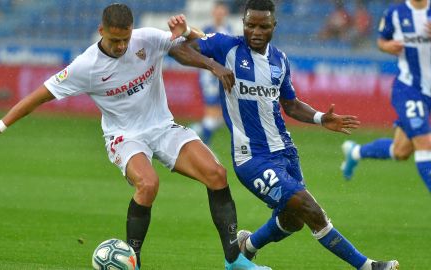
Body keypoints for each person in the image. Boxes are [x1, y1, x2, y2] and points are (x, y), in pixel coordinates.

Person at [0, 4, 271, 270]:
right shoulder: (85, 66)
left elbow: (178, 48)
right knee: (148, 183)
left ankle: (234, 260)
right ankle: (133, 262)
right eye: (115, 40)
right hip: (124, 136)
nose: (121, 46)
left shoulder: (145, 38)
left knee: (217, 174)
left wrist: (212, 65)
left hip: (162, 127)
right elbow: (39, 96)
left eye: (125, 39)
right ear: (101, 31)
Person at [170, 0, 399, 269]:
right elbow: (177, 49)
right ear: (243, 24)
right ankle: (368, 266)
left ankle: (248, 245)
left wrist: (320, 118)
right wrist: (212, 65)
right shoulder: (226, 46)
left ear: (273, 27)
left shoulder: (280, 59)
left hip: (285, 152)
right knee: (311, 210)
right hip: (252, 160)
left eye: (263, 26)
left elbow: (289, 104)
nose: (256, 31)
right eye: (250, 25)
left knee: (293, 219)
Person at [341, 0, 431, 193]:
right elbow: (382, 40)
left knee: (401, 151)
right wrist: (388, 46)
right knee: (425, 143)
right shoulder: (396, 13)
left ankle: (355, 152)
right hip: (409, 89)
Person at [192, 1, 232, 145]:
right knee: (212, 113)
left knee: (220, 117)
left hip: (222, 75)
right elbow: (200, 51)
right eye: (218, 12)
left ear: (225, 13)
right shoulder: (206, 30)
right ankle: (203, 145)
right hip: (210, 77)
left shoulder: (228, 29)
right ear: (213, 13)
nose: (220, 15)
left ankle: (196, 132)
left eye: (222, 12)